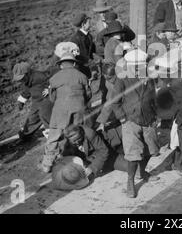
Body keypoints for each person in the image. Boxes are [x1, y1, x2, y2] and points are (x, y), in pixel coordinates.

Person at [96, 49, 160, 198]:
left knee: (151, 149)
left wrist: (156, 115)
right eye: (138, 65)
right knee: (133, 155)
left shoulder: (148, 78)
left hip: (148, 119)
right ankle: (130, 182)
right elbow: (115, 102)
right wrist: (123, 118)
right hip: (131, 121)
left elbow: (153, 98)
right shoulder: (122, 80)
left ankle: (142, 172)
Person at [39, 53, 92, 173]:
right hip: (79, 108)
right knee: (78, 133)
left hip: (61, 110)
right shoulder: (82, 76)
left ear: (61, 66)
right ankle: (83, 158)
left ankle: (47, 164)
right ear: (74, 64)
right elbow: (88, 94)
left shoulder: (54, 78)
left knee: (54, 136)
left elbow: (52, 98)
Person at [12, 62, 54, 141]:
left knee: (46, 116)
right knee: (31, 119)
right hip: (36, 101)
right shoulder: (26, 81)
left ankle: (54, 136)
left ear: (27, 73)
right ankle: (25, 136)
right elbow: (26, 91)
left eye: (22, 78)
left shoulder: (39, 76)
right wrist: (21, 101)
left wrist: (50, 88)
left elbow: (53, 80)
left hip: (47, 100)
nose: (21, 81)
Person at [69, 13, 98, 80]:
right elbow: (75, 55)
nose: (90, 24)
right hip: (81, 69)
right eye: (88, 22)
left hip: (90, 67)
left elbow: (93, 52)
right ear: (83, 24)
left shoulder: (89, 36)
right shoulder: (75, 39)